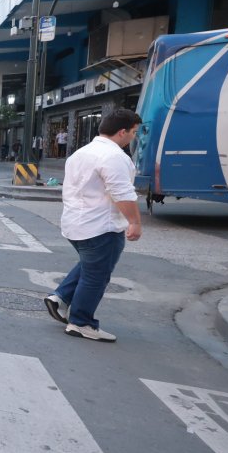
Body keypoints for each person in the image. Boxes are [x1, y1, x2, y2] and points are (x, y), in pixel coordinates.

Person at [44, 109, 143, 343]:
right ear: (122, 132)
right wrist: (135, 222)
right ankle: (81, 322)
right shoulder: (114, 157)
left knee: (90, 266)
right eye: (134, 132)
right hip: (101, 225)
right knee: (97, 275)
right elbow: (121, 193)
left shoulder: (81, 153)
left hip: (75, 224)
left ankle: (61, 297)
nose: (133, 137)